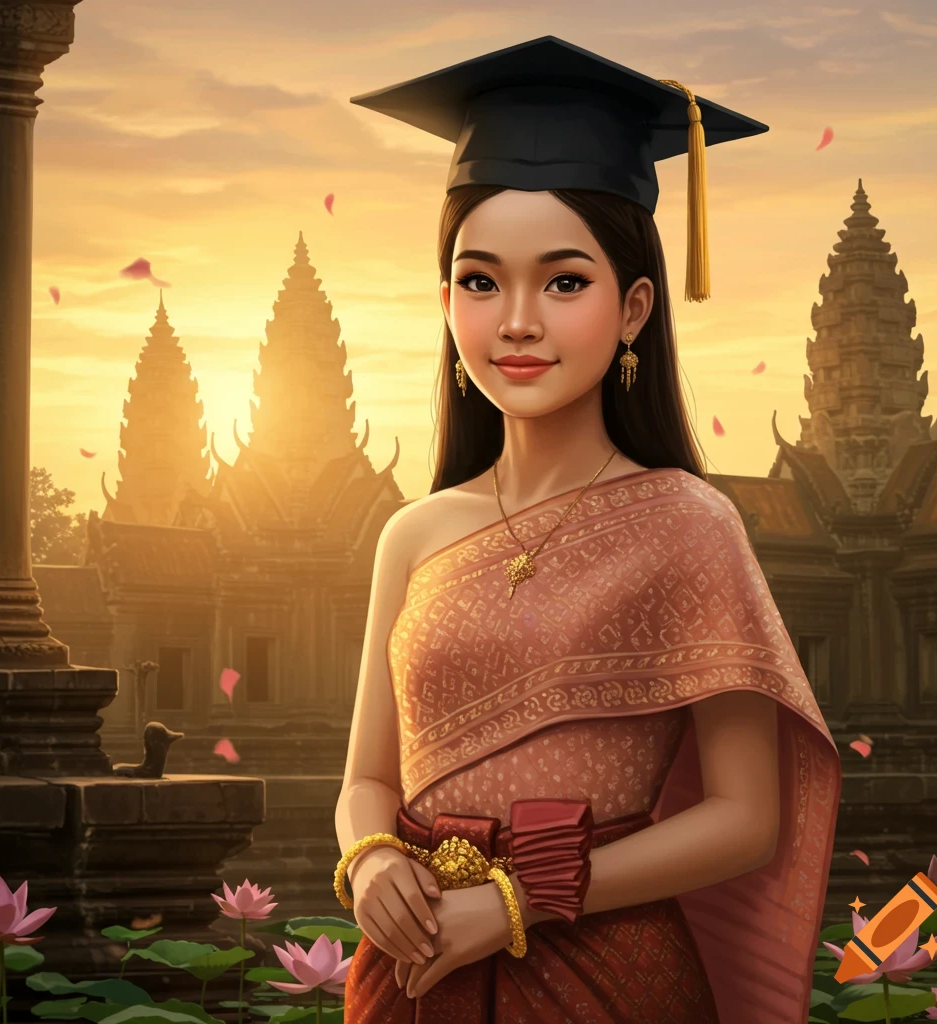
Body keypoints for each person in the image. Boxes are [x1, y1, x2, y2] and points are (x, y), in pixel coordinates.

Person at [334, 35, 841, 1024]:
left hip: (604, 968)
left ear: (634, 307)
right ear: (446, 303)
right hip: (412, 966)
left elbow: (744, 819)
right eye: (480, 281)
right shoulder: (414, 534)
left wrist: (515, 901)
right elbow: (365, 779)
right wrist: (371, 859)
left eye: (564, 282)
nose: (517, 321)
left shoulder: (689, 524)